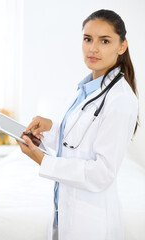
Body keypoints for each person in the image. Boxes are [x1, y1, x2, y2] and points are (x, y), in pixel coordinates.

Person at [17, 9, 138, 240]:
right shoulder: (86, 89)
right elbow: (74, 139)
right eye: (87, 39)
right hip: (64, 211)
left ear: (121, 46)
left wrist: (43, 160)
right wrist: (50, 126)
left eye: (104, 41)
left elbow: (102, 173)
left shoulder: (121, 99)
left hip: (91, 222)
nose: (93, 48)